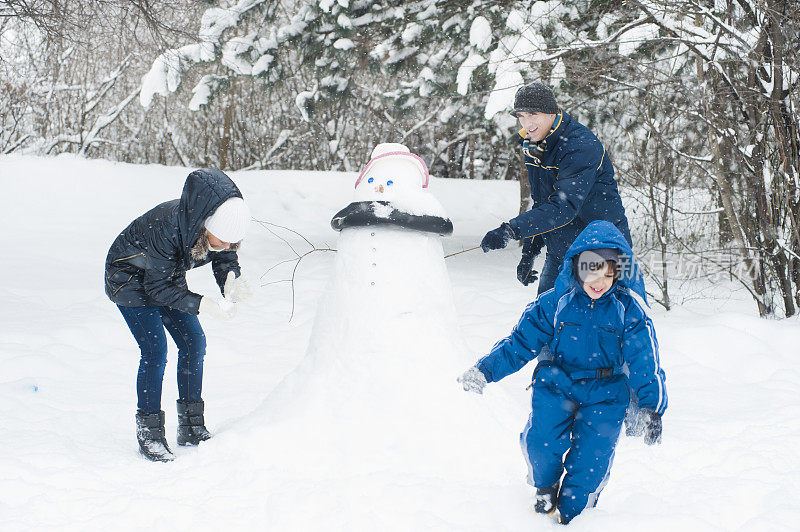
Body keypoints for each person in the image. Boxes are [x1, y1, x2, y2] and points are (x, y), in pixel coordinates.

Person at [459, 221, 667, 524]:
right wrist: (485, 370)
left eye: (607, 272)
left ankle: (575, 513)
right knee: (541, 443)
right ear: (577, 268)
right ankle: (544, 486)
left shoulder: (629, 311)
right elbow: (519, 343)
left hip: (606, 392)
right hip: (557, 383)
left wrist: (651, 407)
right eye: (590, 270)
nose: (598, 281)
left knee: (591, 462)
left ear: (617, 272)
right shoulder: (554, 303)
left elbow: (645, 361)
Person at [105, 168, 254, 462]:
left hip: (163, 276)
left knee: (193, 342)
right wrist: (202, 304)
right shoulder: (168, 227)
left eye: (232, 241)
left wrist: (230, 278)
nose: (226, 246)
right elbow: (156, 289)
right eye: (223, 239)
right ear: (205, 224)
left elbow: (224, 256)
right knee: (155, 350)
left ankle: (191, 426)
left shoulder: (213, 228)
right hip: (129, 279)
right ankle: (150, 433)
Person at [481, 81, 632, 296]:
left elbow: (563, 207)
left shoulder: (580, 146)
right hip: (561, 249)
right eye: (521, 116)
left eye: (533, 114)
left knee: (594, 325)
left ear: (551, 113)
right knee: (545, 320)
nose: (527, 122)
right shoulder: (533, 146)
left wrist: (511, 230)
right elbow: (544, 203)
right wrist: (530, 251)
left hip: (601, 251)